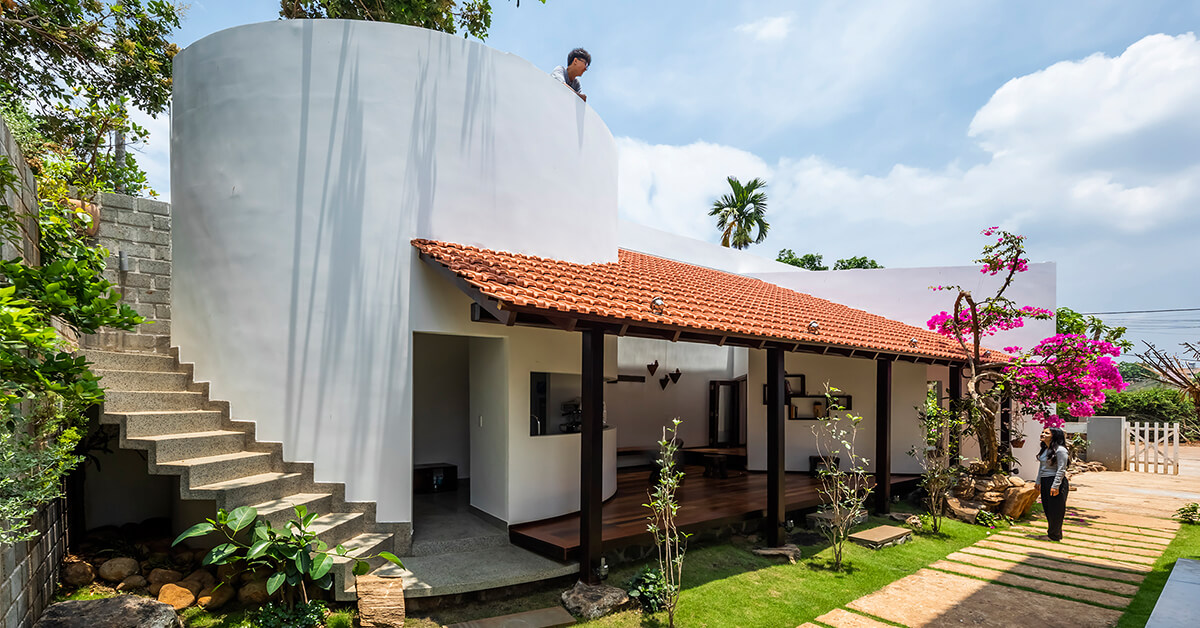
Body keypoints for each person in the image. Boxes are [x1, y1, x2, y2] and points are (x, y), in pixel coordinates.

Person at [1037, 426, 1070, 541]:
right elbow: (1041, 467)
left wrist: (1055, 485)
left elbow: (1061, 469)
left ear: (1054, 436)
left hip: (1056, 481)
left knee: (1056, 509)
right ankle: (1052, 533)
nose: (1043, 434)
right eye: (1043, 432)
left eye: (1047, 433)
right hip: (1045, 480)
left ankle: (1054, 535)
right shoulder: (1045, 450)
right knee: (1047, 508)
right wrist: (1038, 481)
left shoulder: (1061, 450)